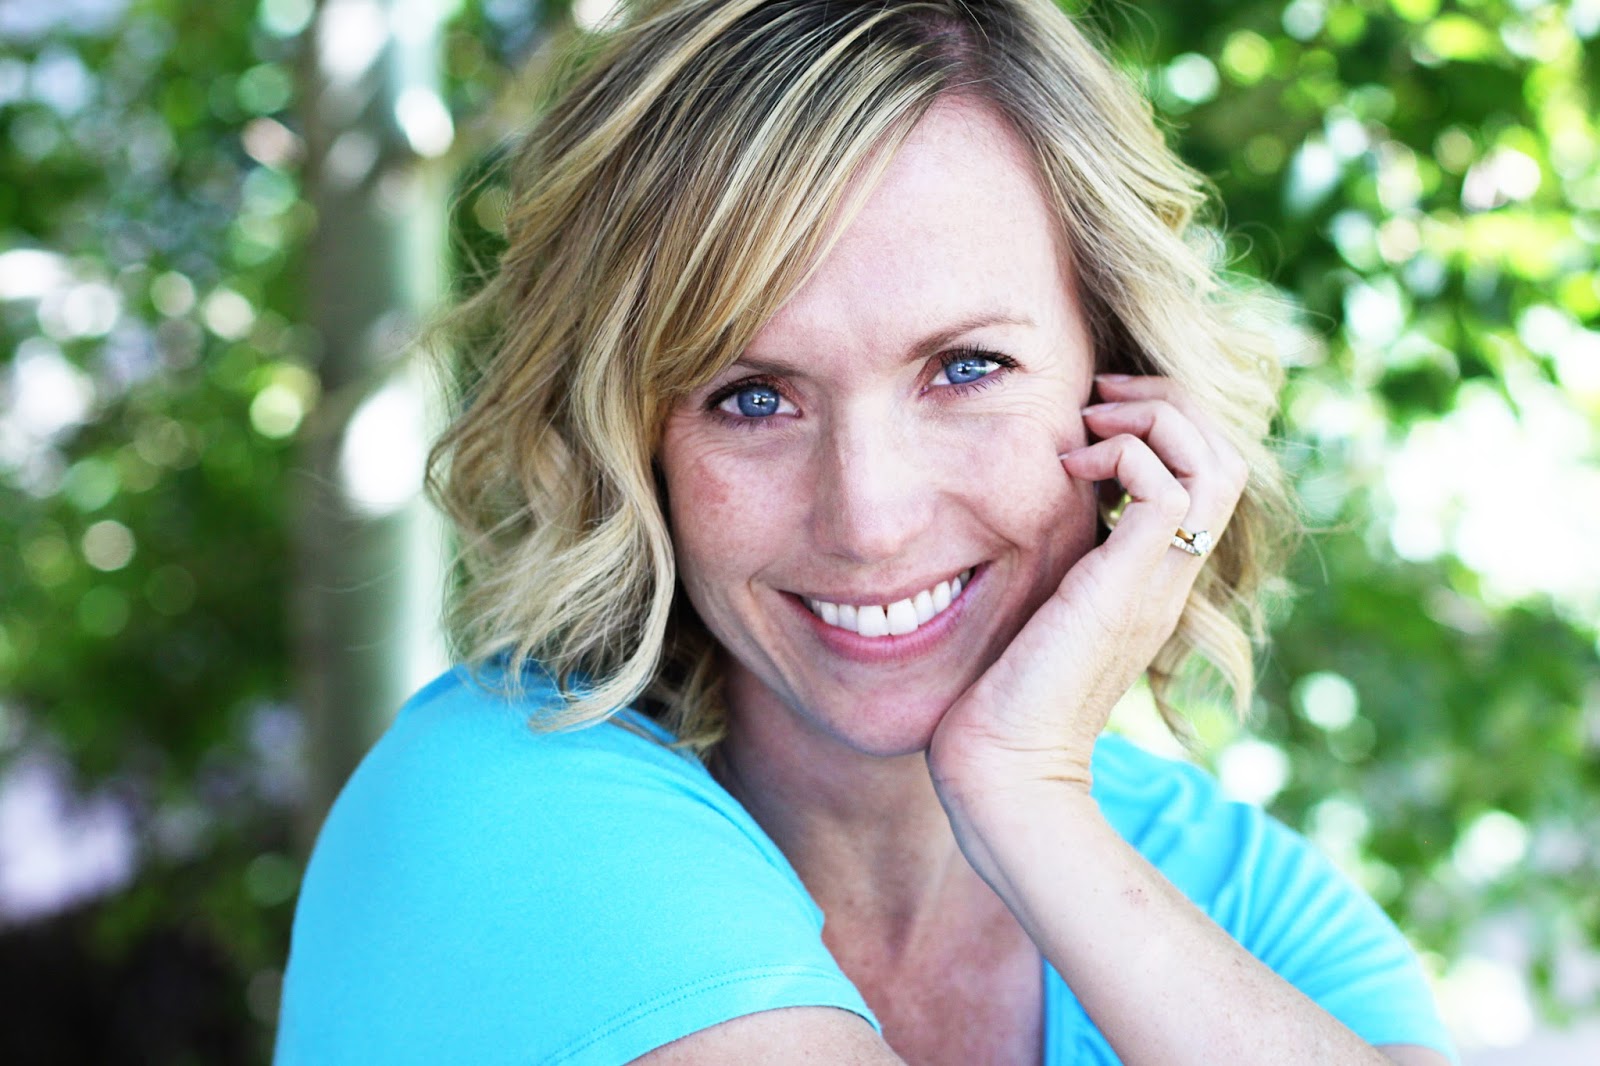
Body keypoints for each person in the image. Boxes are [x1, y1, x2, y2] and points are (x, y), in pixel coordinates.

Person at [275, 1, 1458, 1062]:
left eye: (965, 367)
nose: (870, 519)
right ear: (632, 444)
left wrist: (1025, 793)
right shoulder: (505, 806)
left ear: (1120, 380)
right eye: (752, 397)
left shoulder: (1236, 896)